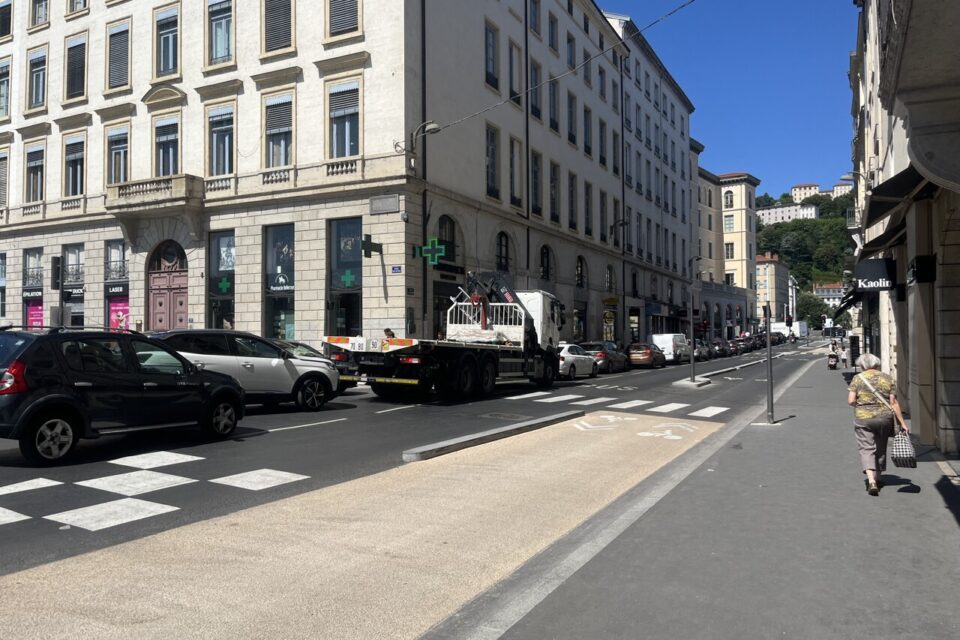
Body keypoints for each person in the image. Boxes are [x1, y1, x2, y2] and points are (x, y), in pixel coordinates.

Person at [847, 353, 909, 495]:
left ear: (862, 365)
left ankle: (871, 482)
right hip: (884, 418)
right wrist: (903, 423)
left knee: (866, 448)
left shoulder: (858, 378)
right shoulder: (887, 378)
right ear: (877, 364)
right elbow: (893, 402)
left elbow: (850, 401)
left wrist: (862, 405)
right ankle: (879, 477)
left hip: (864, 418)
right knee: (881, 447)